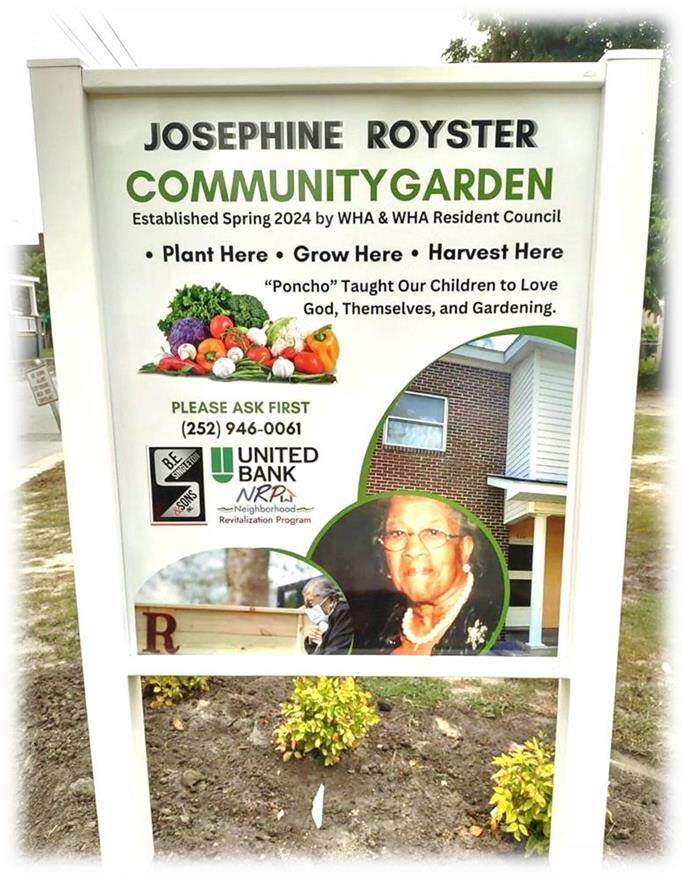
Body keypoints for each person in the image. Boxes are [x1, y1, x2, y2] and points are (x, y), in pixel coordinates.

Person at [376, 494, 501, 655]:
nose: (413, 550)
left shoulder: (491, 624)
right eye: (397, 533)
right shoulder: (372, 627)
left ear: (464, 549)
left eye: (432, 532)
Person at [302, 576, 354, 655]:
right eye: (306, 605)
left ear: (330, 599)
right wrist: (312, 642)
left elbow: (335, 653)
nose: (309, 608)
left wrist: (322, 643)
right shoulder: (331, 618)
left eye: (310, 602)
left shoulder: (344, 613)